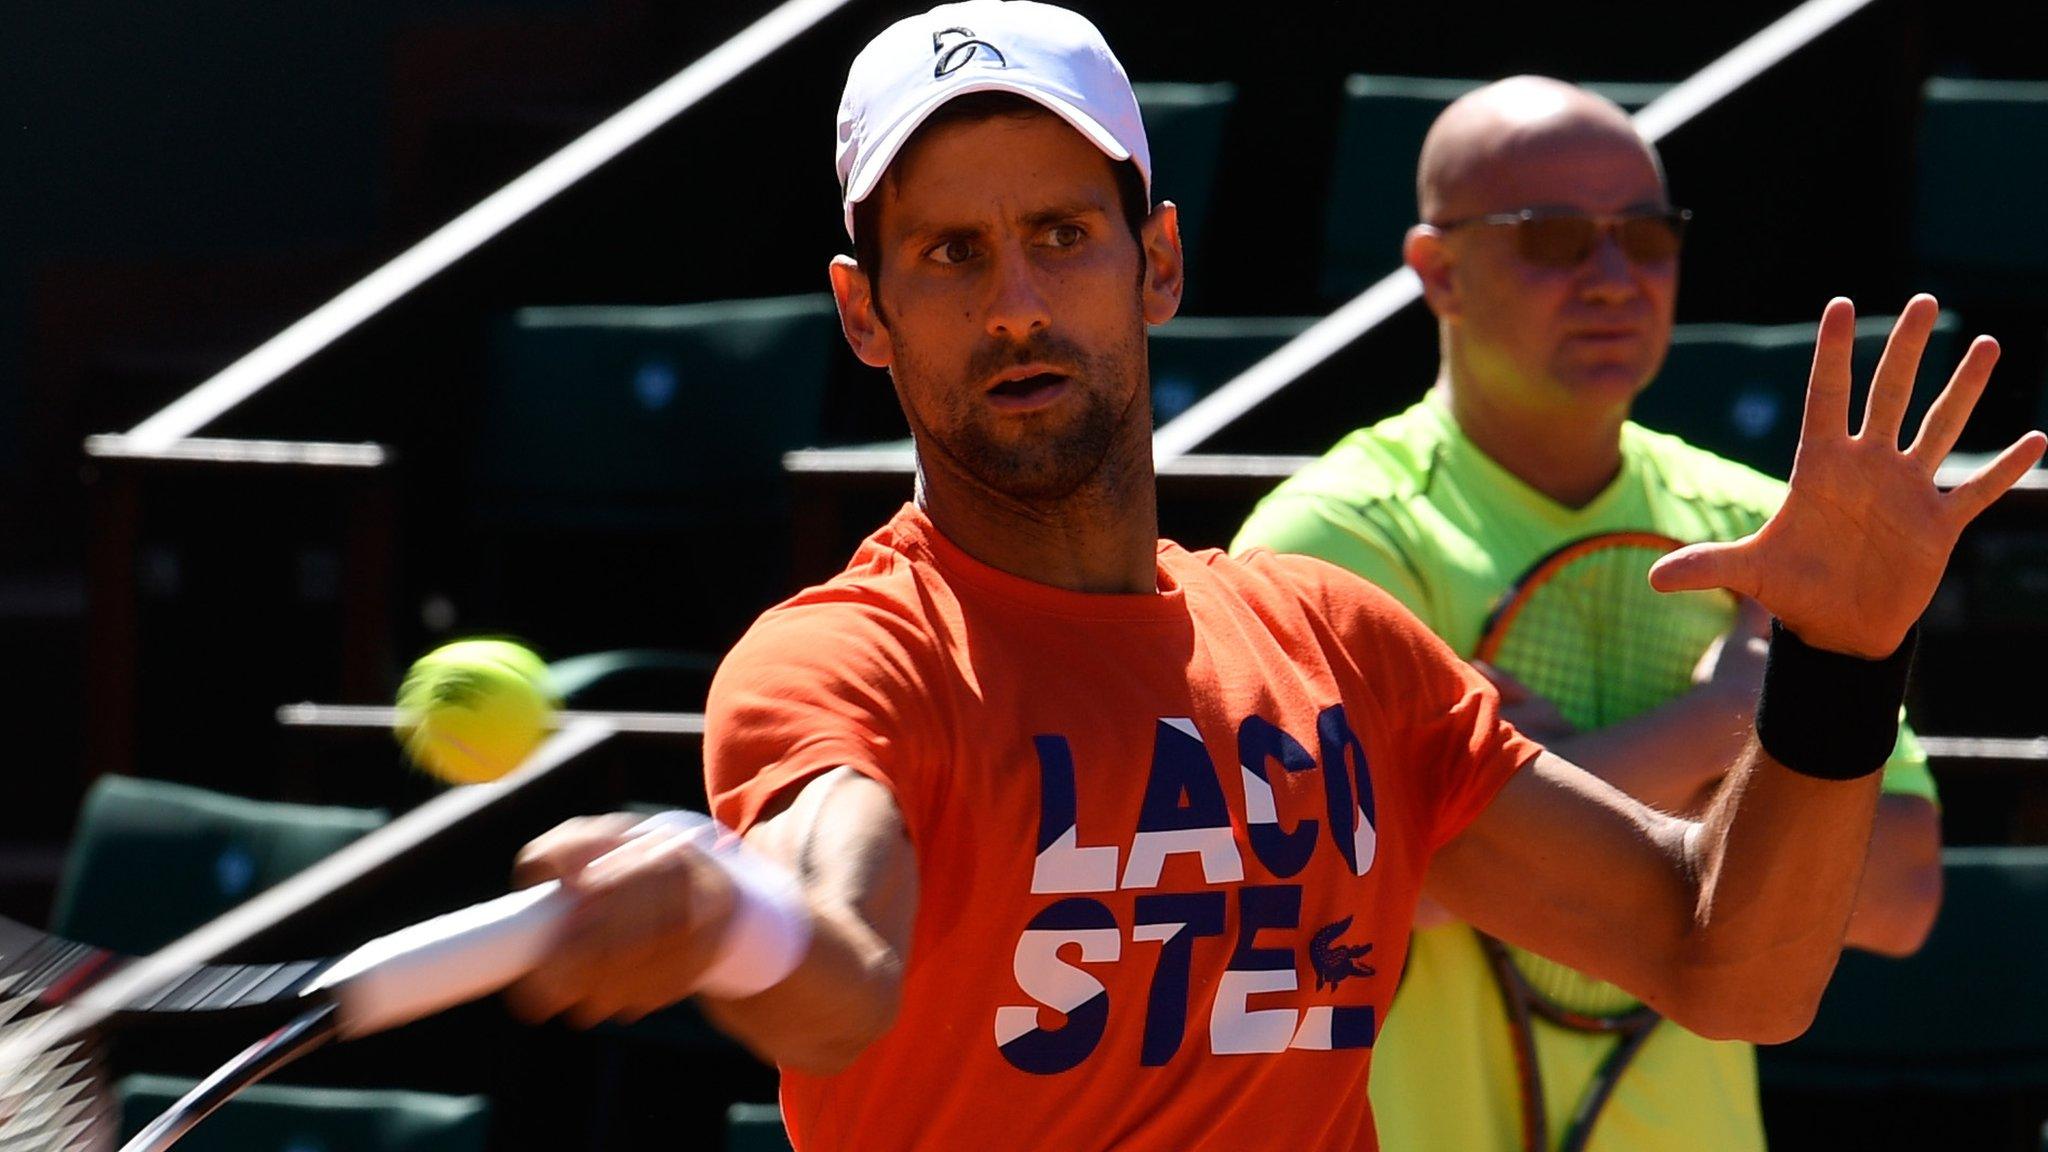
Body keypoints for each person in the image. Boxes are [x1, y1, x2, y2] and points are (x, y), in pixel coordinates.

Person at [499, 4, 2044, 1149]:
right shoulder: (841, 661)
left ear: (1157, 260)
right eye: (951, 256)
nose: (1019, 303)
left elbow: (1733, 970)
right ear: (863, 311)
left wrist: (1844, 665)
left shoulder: (1344, 652)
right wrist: (729, 923)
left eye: (1061, 234)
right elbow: (838, 973)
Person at [1231, 77, 1945, 1152]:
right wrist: (1719, 738)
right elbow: (1366, 891)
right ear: (1436, 272)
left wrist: (1524, 779)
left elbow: (1898, 890)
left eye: (1645, 237)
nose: (1611, 278)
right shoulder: (1326, 547)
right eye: (1552, 237)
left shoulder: (1757, 525)